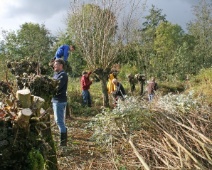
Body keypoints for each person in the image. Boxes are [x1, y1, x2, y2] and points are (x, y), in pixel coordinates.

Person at [51, 59, 68, 146]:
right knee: (59, 121)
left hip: (59, 101)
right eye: (54, 64)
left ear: (61, 65)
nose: (54, 66)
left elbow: (57, 87)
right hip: (55, 100)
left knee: (59, 121)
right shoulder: (56, 74)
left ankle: (63, 144)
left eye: (56, 64)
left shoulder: (63, 75)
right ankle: (63, 141)